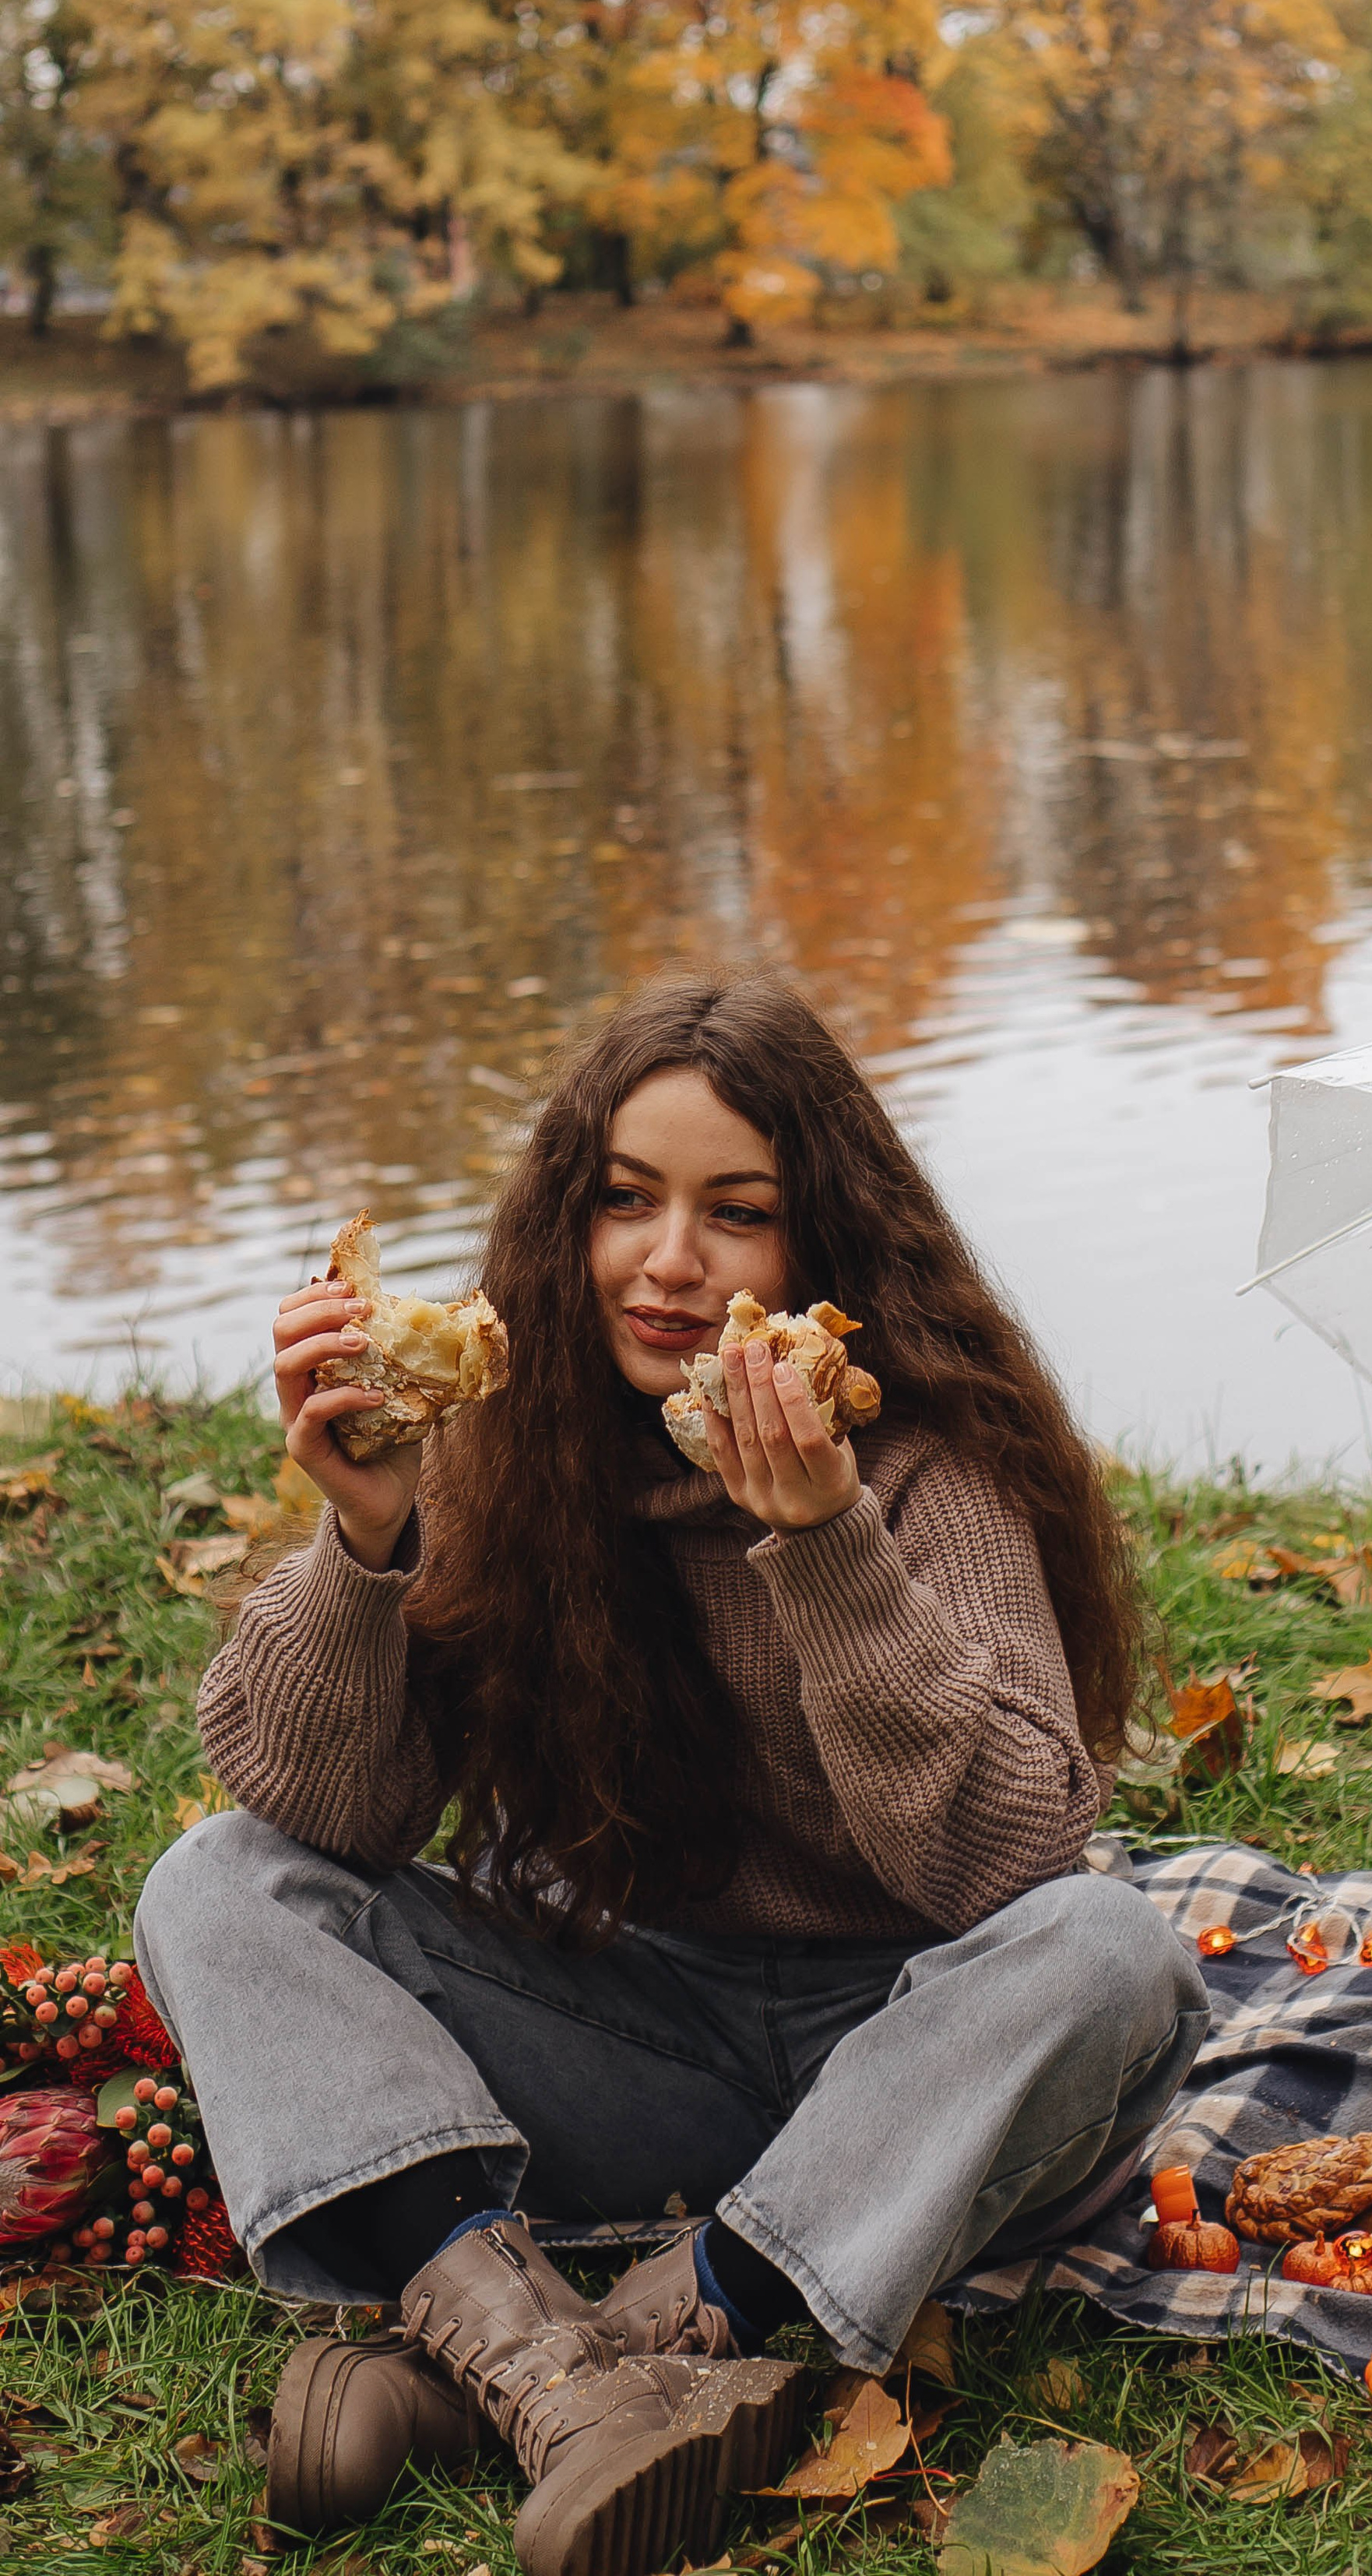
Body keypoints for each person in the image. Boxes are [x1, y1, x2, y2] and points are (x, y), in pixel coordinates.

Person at [134, 975, 1208, 2576]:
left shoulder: (931, 1471)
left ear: (824, 1247)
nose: (669, 1262)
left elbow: (1003, 1862)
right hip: (633, 2039)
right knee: (218, 1880)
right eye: (627, 1200)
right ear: (569, 1220)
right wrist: (365, 1535)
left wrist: (826, 1542)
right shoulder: (510, 1449)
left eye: (737, 1213)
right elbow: (330, 1811)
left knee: (1112, 1952)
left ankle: (656, 2335)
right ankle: (546, 2367)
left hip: (917, 2073)